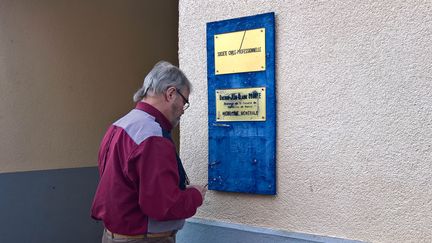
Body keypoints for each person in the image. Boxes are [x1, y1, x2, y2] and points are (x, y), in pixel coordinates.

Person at [91, 61, 207, 243]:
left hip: (113, 235)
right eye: (184, 101)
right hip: (143, 238)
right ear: (170, 93)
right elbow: (162, 205)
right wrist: (195, 196)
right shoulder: (153, 136)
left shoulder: (120, 125)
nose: (183, 110)